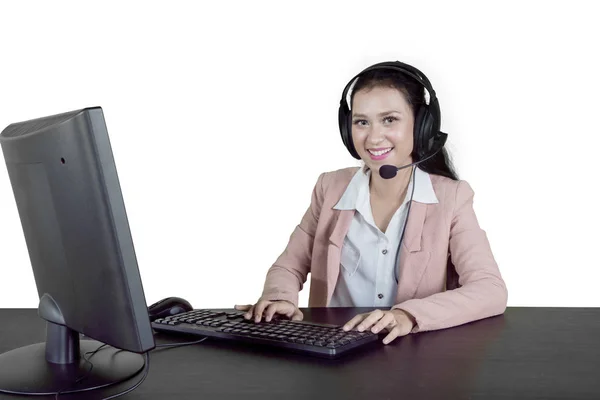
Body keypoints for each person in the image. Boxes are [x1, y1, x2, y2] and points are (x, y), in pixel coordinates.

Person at [235, 61, 508, 345]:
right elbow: (288, 267)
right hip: (333, 351)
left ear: (422, 125)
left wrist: (407, 315)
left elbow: (489, 289)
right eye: (362, 122)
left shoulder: (451, 198)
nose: (374, 137)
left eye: (389, 119)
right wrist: (280, 298)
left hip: (412, 353)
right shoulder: (330, 188)